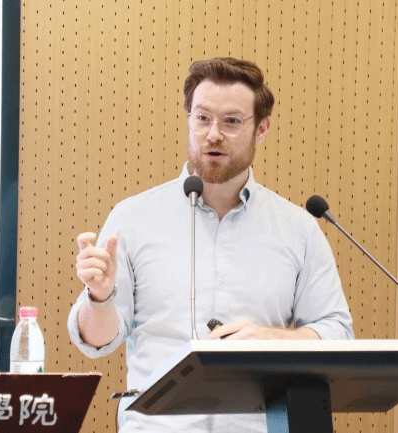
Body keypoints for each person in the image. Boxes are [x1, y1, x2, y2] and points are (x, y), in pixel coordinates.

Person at [68, 57, 354, 432]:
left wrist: (271, 338)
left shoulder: (297, 229)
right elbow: (97, 342)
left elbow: (337, 331)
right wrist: (99, 297)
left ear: (261, 129)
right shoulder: (133, 219)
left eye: (231, 121)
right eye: (202, 118)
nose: (213, 134)